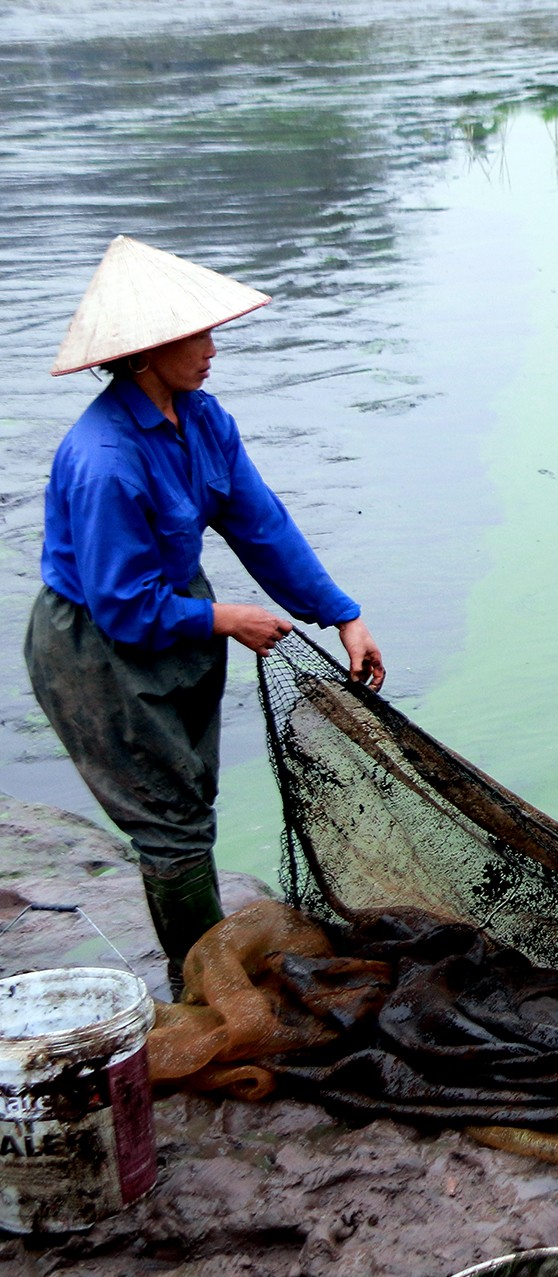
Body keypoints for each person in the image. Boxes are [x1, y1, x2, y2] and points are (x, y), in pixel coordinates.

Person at [25, 235, 385, 993]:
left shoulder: (204, 419)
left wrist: (341, 614)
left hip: (178, 620)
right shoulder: (104, 459)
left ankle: (202, 968)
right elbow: (122, 606)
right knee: (170, 822)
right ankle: (204, 992)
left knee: (192, 794)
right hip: (99, 647)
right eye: (199, 334)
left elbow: (261, 525)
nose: (213, 348)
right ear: (148, 351)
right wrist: (226, 619)